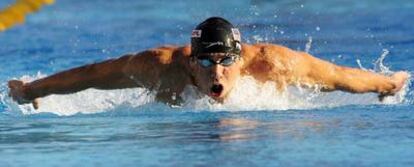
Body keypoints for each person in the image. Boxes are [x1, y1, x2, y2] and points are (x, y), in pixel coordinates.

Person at [8, 17, 409, 109]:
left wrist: (388, 84)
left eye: (225, 61)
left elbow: (339, 77)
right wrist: (32, 90)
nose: (216, 72)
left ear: (241, 56)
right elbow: (92, 76)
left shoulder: (273, 64)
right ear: (191, 60)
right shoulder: (160, 65)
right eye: (206, 62)